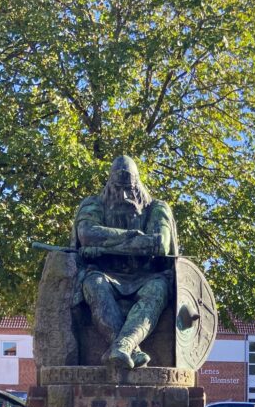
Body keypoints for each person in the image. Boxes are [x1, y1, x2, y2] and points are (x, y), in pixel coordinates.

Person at [73, 154, 178, 369]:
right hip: (105, 275)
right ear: (109, 184)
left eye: (128, 189)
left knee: (157, 290)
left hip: (147, 277)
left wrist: (106, 243)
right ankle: (129, 350)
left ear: (138, 185)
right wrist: (134, 238)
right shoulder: (93, 205)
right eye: (117, 188)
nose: (123, 195)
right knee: (94, 285)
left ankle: (122, 346)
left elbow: (161, 244)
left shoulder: (157, 209)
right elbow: (86, 233)